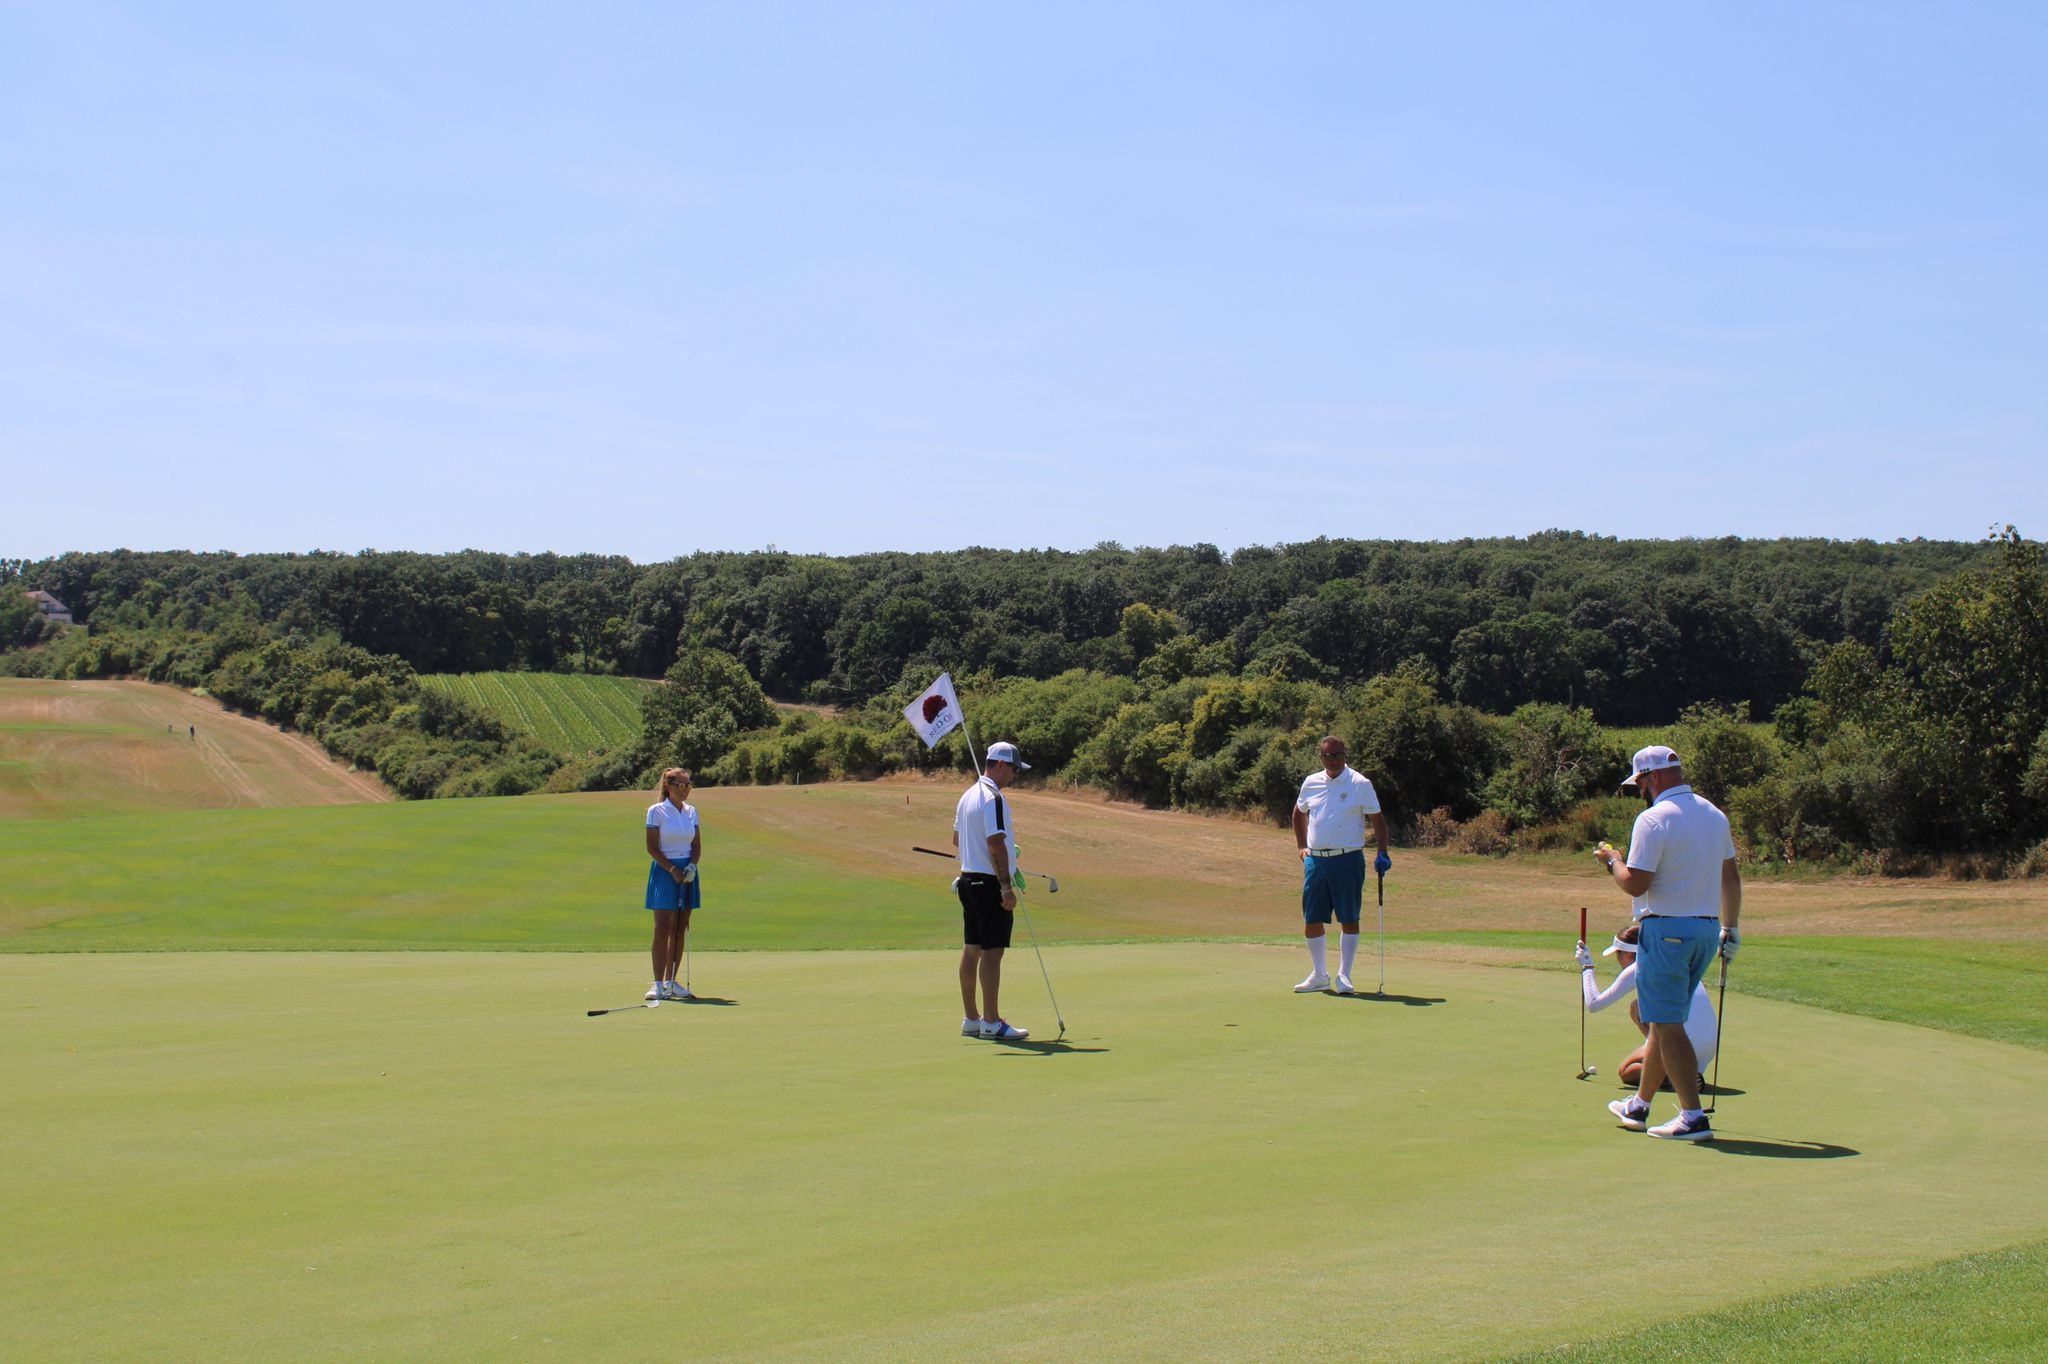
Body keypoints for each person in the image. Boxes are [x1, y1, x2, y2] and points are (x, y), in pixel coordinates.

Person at [1592, 745, 1741, 1141]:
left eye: (1640, 782)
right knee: (1663, 1018)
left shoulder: (1653, 819)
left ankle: (1692, 1117)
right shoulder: (1714, 814)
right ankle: (1639, 1105)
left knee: (1668, 1023)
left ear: (1653, 777)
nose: (1640, 790)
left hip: (1667, 930)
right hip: (1706, 930)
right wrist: (1732, 927)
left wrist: (1613, 861)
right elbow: (1730, 877)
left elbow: (1635, 883)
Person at [1291, 735, 1392, 994]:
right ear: (1321, 757)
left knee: (1349, 916)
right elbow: (1298, 812)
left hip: (1348, 858)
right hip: (1316, 860)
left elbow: (1377, 819)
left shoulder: (1360, 783)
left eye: (1338, 755)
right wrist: (1301, 846)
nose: (1334, 760)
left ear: (1345, 755)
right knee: (1312, 917)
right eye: (1329, 756)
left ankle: (1344, 976)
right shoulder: (1311, 782)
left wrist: (1382, 851)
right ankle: (1319, 975)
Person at [1575, 922, 1717, 1087]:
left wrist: (1587, 966)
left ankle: (1680, 1076)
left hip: (1683, 1044)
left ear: (1629, 954)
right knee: (1636, 1007)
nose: (1618, 960)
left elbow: (1594, 1004)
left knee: (1627, 1071)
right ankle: (1677, 1066)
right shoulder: (1674, 960)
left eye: (1619, 955)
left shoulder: (1640, 965)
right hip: (1707, 1048)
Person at [953, 741, 1030, 1041]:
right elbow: (996, 844)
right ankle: (992, 1022)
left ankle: (972, 1019)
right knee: (992, 952)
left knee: (972, 948)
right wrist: (1006, 886)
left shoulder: (967, 795)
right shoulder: (993, 798)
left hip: (967, 881)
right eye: (1014, 769)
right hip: (988, 885)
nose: (1015, 775)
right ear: (999, 764)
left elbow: (957, 840)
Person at [643, 767, 701, 1002]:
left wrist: (692, 866)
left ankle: (671, 981)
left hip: (687, 871)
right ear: (668, 786)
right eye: (681, 785)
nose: (685, 790)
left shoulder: (691, 812)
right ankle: (658, 983)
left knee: (680, 926)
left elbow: (696, 846)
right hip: (665, 870)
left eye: (688, 785)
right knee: (663, 927)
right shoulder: (656, 811)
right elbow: (652, 848)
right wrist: (672, 870)